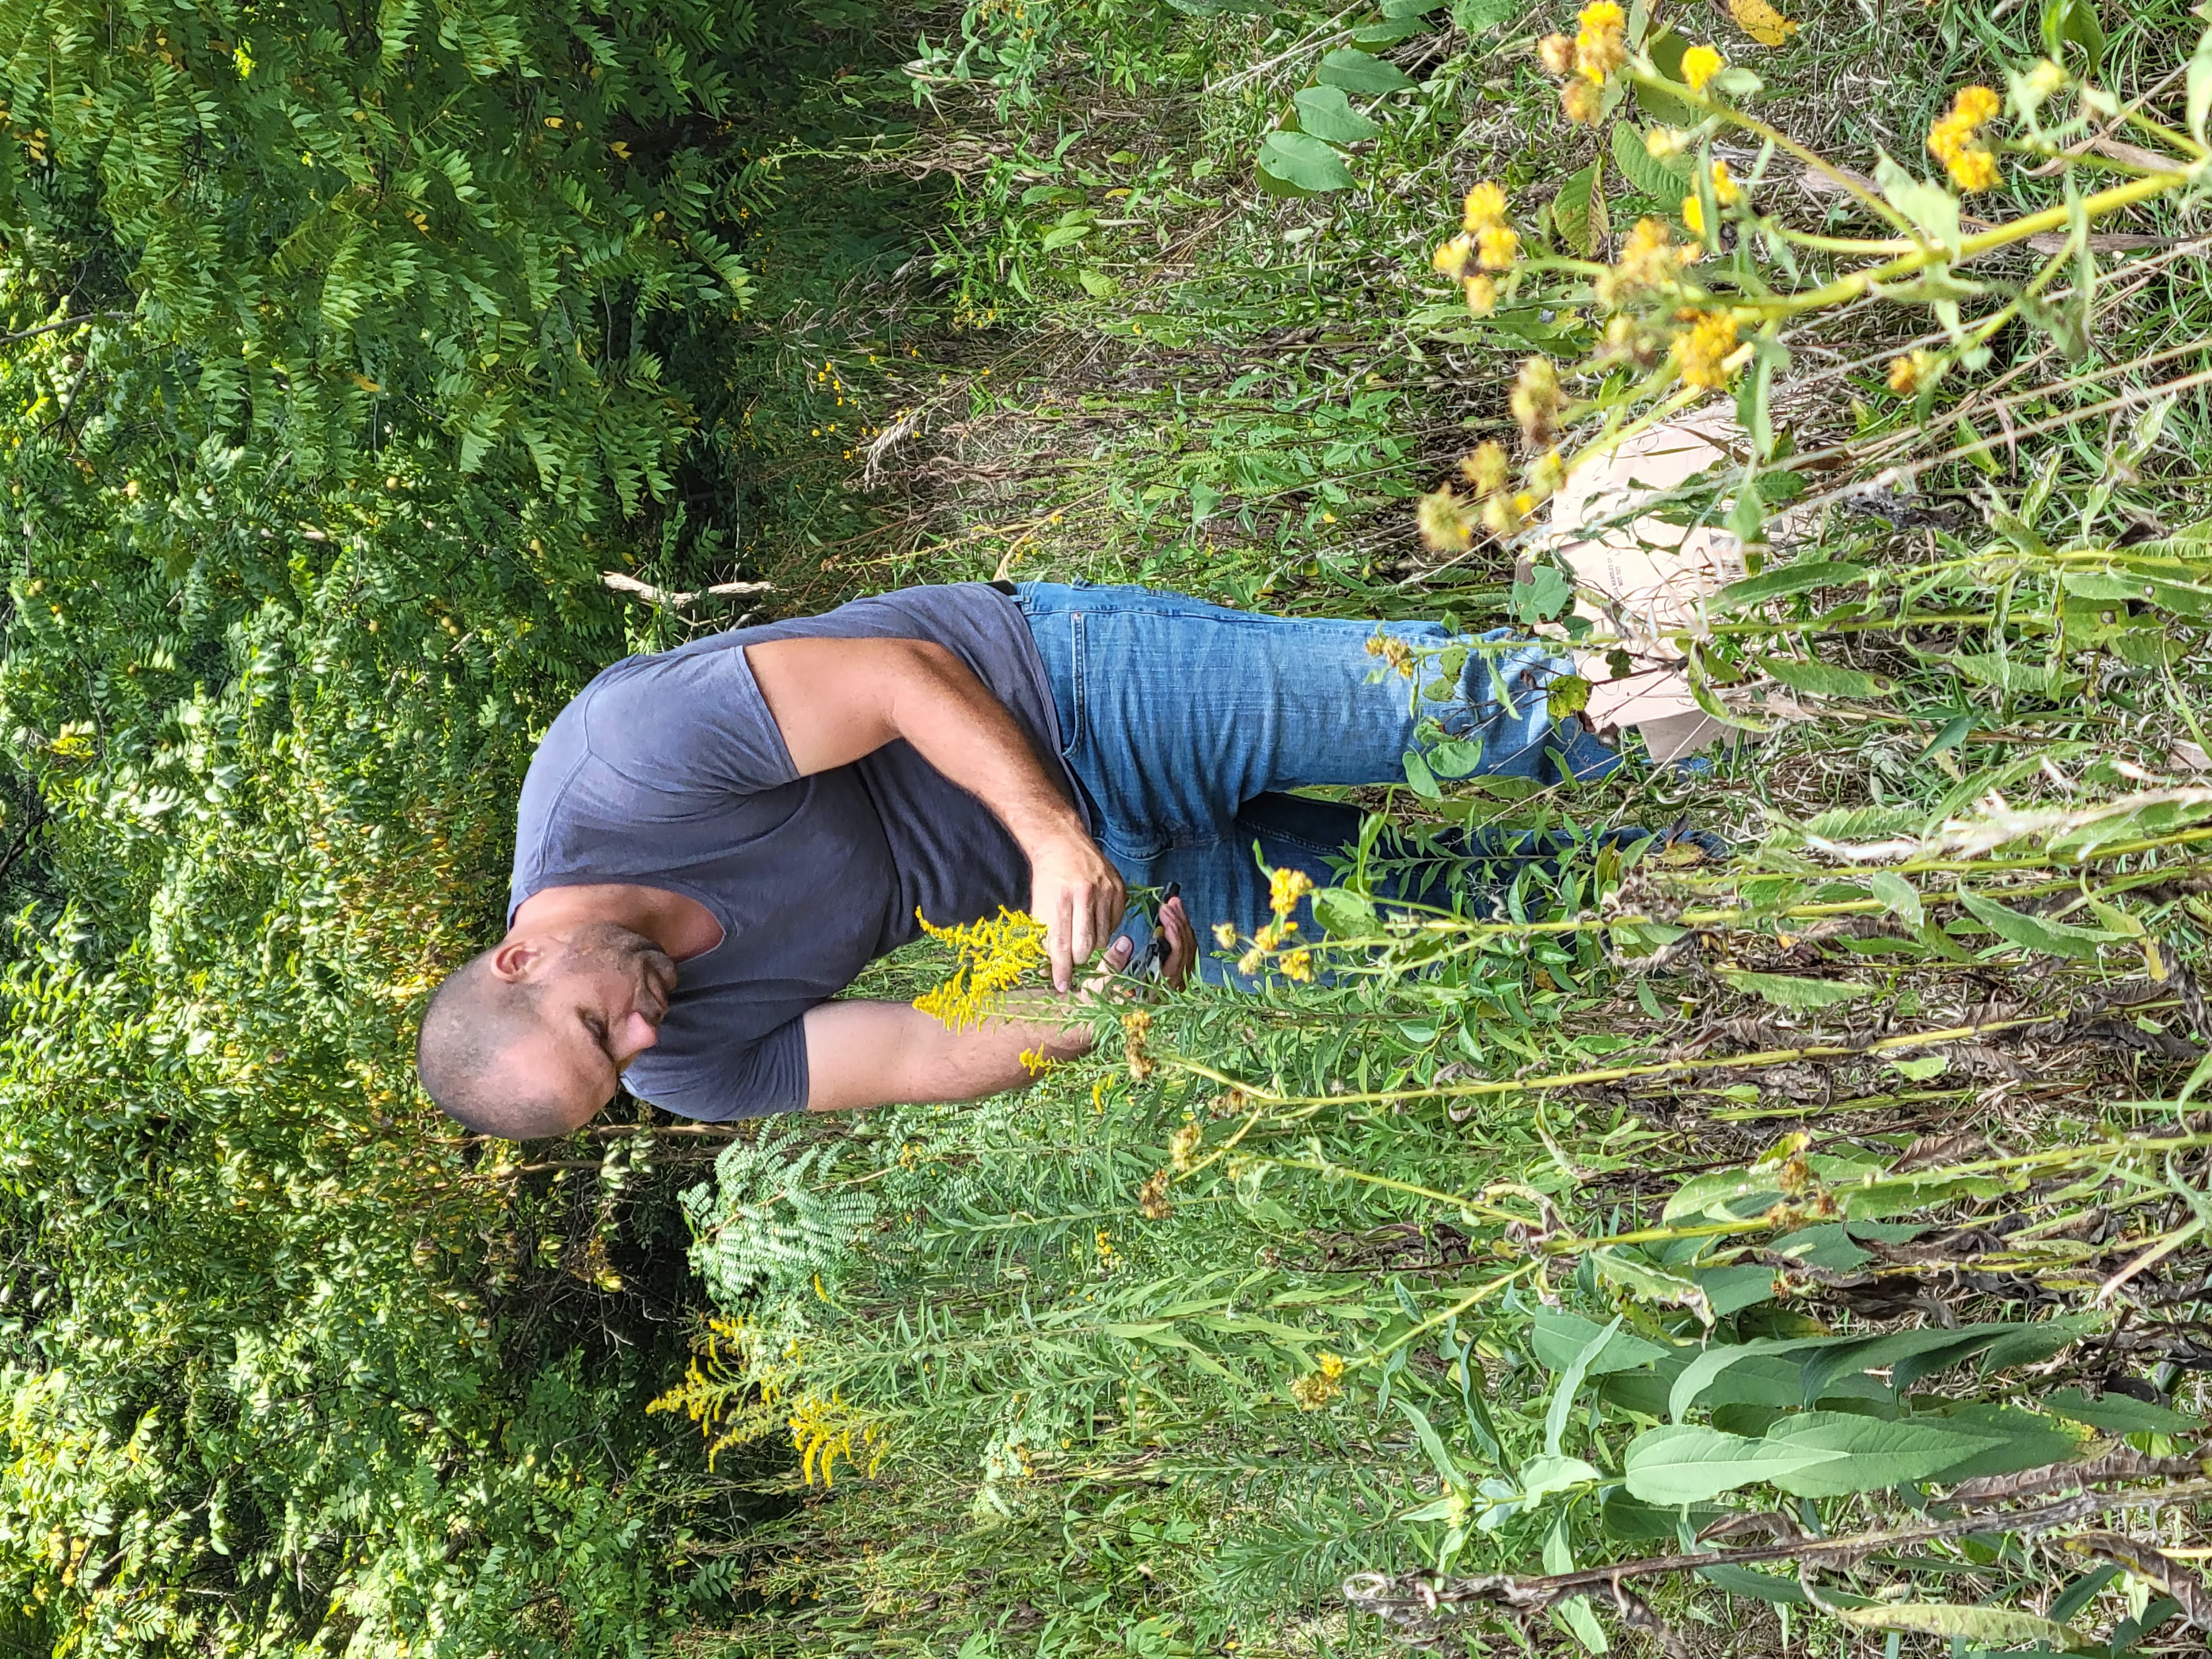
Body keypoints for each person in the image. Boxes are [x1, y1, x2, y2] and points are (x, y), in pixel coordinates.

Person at [414, 579, 1645, 1138]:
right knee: (1478, 923)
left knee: (1463, 712)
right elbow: (922, 1051)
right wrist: (1098, 1016)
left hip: (1068, 695)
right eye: (613, 1079)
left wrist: (1054, 833)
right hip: (1102, 891)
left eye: (595, 1028)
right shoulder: (678, 1065)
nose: (640, 1047)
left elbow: (903, 680)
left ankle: (1743, 700)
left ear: (523, 954)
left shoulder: (623, 764)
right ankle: (1714, 866)